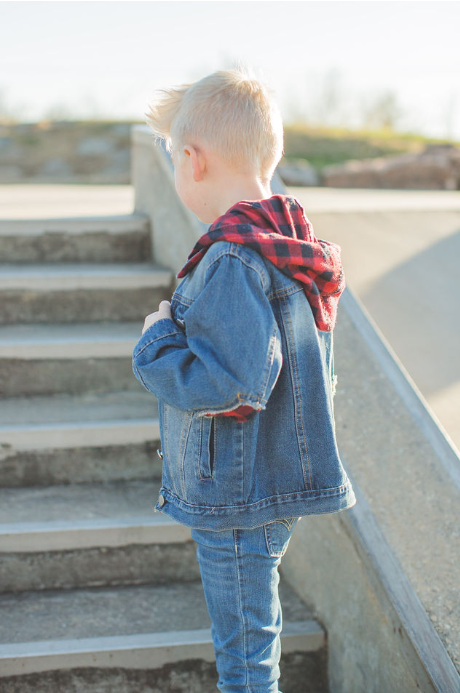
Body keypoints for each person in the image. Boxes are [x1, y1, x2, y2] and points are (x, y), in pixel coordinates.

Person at [132, 66, 356, 693]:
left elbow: (233, 385)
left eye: (174, 158)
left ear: (193, 161)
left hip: (234, 493)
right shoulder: (283, 241)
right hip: (262, 480)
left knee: (245, 664)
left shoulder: (232, 256)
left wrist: (157, 341)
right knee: (253, 644)